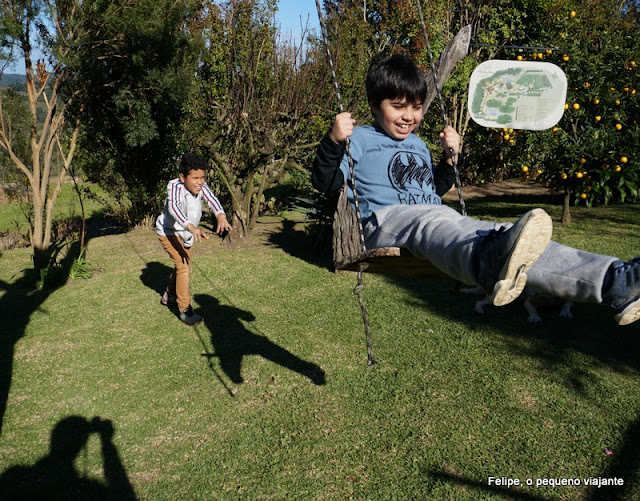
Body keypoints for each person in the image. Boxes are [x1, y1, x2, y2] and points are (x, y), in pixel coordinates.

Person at [312, 54, 640, 326]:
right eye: (398, 107)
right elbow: (326, 183)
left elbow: (432, 189)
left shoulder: (418, 145)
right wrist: (333, 141)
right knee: (446, 228)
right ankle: (487, 263)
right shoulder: (361, 139)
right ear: (374, 104)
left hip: (432, 217)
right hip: (384, 222)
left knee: (503, 235)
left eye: (416, 107)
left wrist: (449, 160)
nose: (409, 116)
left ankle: (616, 282)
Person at [156, 153, 232, 326]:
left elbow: (212, 199)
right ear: (183, 177)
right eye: (195, 178)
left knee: (182, 266)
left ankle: (169, 294)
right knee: (184, 268)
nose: (200, 182)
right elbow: (174, 207)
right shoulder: (174, 187)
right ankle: (184, 310)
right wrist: (190, 226)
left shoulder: (201, 187)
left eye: (202, 177)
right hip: (168, 232)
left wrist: (220, 215)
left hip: (188, 234)